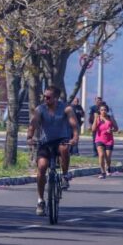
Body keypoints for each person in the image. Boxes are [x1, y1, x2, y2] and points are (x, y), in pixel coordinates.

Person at [27, 86, 79, 216]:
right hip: (45, 142)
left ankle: (65, 175)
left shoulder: (66, 108)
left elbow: (73, 123)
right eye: (44, 96)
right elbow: (33, 123)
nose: (45, 99)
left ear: (56, 98)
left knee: (64, 148)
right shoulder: (41, 109)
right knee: (42, 167)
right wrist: (29, 137)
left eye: (48, 97)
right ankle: (40, 200)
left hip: (61, 139)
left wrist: (75, 136)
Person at [93, 103, 119, 178]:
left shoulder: (110, 118)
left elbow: (116, 128)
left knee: (108, 157)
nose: (103, 111)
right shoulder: (98, 118)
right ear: (99, 111)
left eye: (105, 110)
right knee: (101, 155)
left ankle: (108, 167)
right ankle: (102, 171)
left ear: (107, 111)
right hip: (99, 139)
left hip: (109, 140)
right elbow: (93, 129)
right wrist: (95, 119)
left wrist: (112, 130)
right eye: (102, 110)